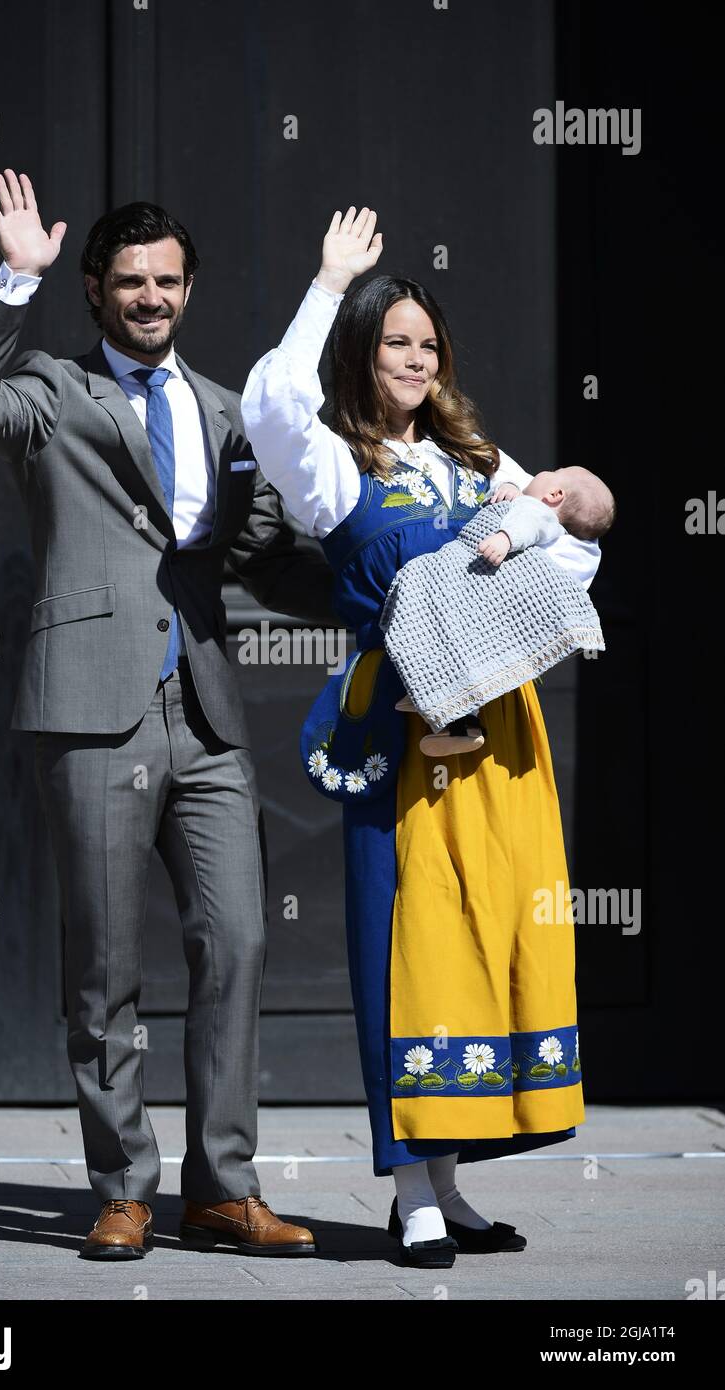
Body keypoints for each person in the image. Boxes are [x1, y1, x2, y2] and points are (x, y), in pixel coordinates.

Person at [0, 168, 342, 1261]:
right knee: (105, 967)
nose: (150, 297)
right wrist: (8, 283)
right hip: (90, 709)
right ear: (93, 289)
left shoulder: (225, 412)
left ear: (189, 288)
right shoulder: (55, 395)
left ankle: (222, 1189)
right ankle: (121, 1185)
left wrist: (379, 593)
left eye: (167, 280)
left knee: (240, 943)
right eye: (129, 281)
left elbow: (261, 549)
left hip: (204, 712)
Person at [241, 206, 600, 1267]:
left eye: (426, 343)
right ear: (360, 351)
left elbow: (572, 541)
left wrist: (539, 530)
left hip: (498, 726)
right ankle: (409, 1188)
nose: (413, 356)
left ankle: (453, 1179)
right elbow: (268, 403)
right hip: (399, 724)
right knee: (401, 949)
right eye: (394, 339)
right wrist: (324, 285)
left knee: (481, 944)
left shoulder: (475, 454)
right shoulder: (335, 465)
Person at [383, 465, 615, 755]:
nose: (542, 470)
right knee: (481, 652)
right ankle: (441, 703)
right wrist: (513, 492)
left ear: (555, 494)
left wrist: (505, 537)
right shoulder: (566, 539)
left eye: (555, 471)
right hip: (514, 609)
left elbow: (529, 519)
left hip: (493, 582)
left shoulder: (536, 513)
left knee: (435, 596)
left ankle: (442, 696)